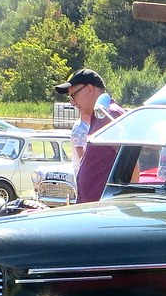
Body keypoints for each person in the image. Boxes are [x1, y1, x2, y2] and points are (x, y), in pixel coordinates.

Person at [54, 68, 125, 202]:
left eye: (74, 95)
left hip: (104, 212)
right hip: (94, 211)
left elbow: (132, 165)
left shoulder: (109, 115)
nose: (72, 103)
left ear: (90, 89)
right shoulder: (99, 117)